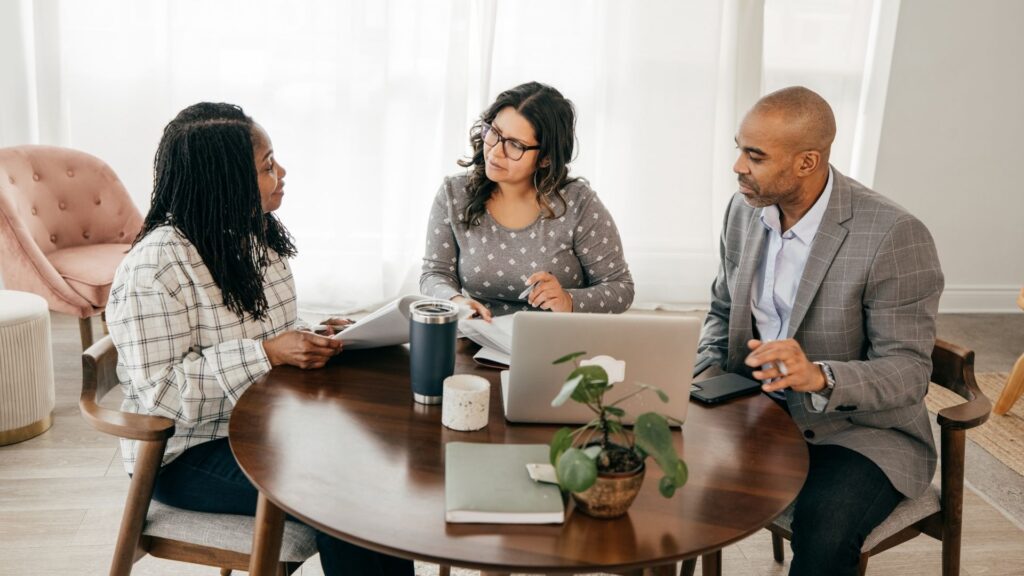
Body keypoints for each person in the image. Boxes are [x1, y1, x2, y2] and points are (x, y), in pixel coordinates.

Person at [106, 102, 413, 575]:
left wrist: (314, 337)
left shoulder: (254, 236)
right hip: (186, 455)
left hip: (267, 425)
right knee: (352, 498)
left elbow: (265, 334)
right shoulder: (156, 267)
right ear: (223, 182)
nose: (282, 172)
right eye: (267, 166)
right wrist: (267, 354)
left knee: (379, 456)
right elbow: (161, 395)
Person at [695, 86, 943, 575]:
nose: (737, 166)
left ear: (807, 162)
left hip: (858, 433)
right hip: (755, 407)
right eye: (739, 147)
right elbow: (723, 311)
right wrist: (705, 371)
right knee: (653, 468)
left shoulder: (893, 235)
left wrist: (820, 377)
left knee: (825, 528)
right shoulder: (743, 210)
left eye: (755, 155)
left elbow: (910, 372)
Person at [420, 81, 634, 320]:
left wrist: (568, 300)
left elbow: (620, 288)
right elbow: (434, 274)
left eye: (515, 145)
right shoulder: (454, 194)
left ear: (545, 158)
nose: (495, 152)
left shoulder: (578, 203)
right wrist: (457, 302)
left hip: (555, 346)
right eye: (494, 132)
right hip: (476, 340)